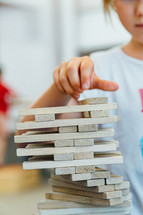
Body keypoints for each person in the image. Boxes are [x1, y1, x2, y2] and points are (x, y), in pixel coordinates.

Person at [18, 0, 143, 214]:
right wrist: (62, 87)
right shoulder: (99, 71)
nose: (141, 10)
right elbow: (29, 137)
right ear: (111, 3)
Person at [0, 67, 16, 164]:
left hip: (2, 115)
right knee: (2, 138)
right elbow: (14, 96)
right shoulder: (2, 86)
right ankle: (0, 161)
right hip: (1, 115)